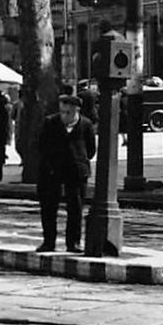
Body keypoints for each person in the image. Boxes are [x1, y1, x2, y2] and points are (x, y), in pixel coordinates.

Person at [37, 93, 97, 253]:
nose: (64, 116)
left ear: (76, 111)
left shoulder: (86, 124)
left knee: (75, 207)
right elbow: (41, 145)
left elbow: (91, 149)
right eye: (62, 112)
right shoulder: (51, 122)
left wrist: (80, 160)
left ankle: (74, 242)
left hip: (76, 170)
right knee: (49, 207)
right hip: (53, 170)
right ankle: (49, 242)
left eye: (68, 112)